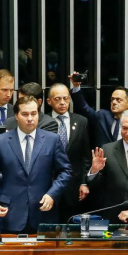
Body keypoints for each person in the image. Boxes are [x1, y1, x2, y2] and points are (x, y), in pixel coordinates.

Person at [0, 96, 72, 234]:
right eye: (25, 114)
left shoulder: (52, 140)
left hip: (43, 212)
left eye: (33, 113)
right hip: (10, 214)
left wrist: (52, 194)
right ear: (16, 116)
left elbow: (65, 171)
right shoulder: (0, 141)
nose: (30, 118)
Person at [45, 83, 91, 221]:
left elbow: (85, 156)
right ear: (49, 101)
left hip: (74, 185)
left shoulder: (81, 121)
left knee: (71, 225)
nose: (62, 102)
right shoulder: (43, 122)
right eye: (57, 99)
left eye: (65, 98)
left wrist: (84, 182)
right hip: (48, 185)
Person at [70, 74, 128, 147]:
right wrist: (76, 86)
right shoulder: (102, 116)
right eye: (112, 99)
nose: (114, 102)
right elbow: (83, 108)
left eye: (118, 100)